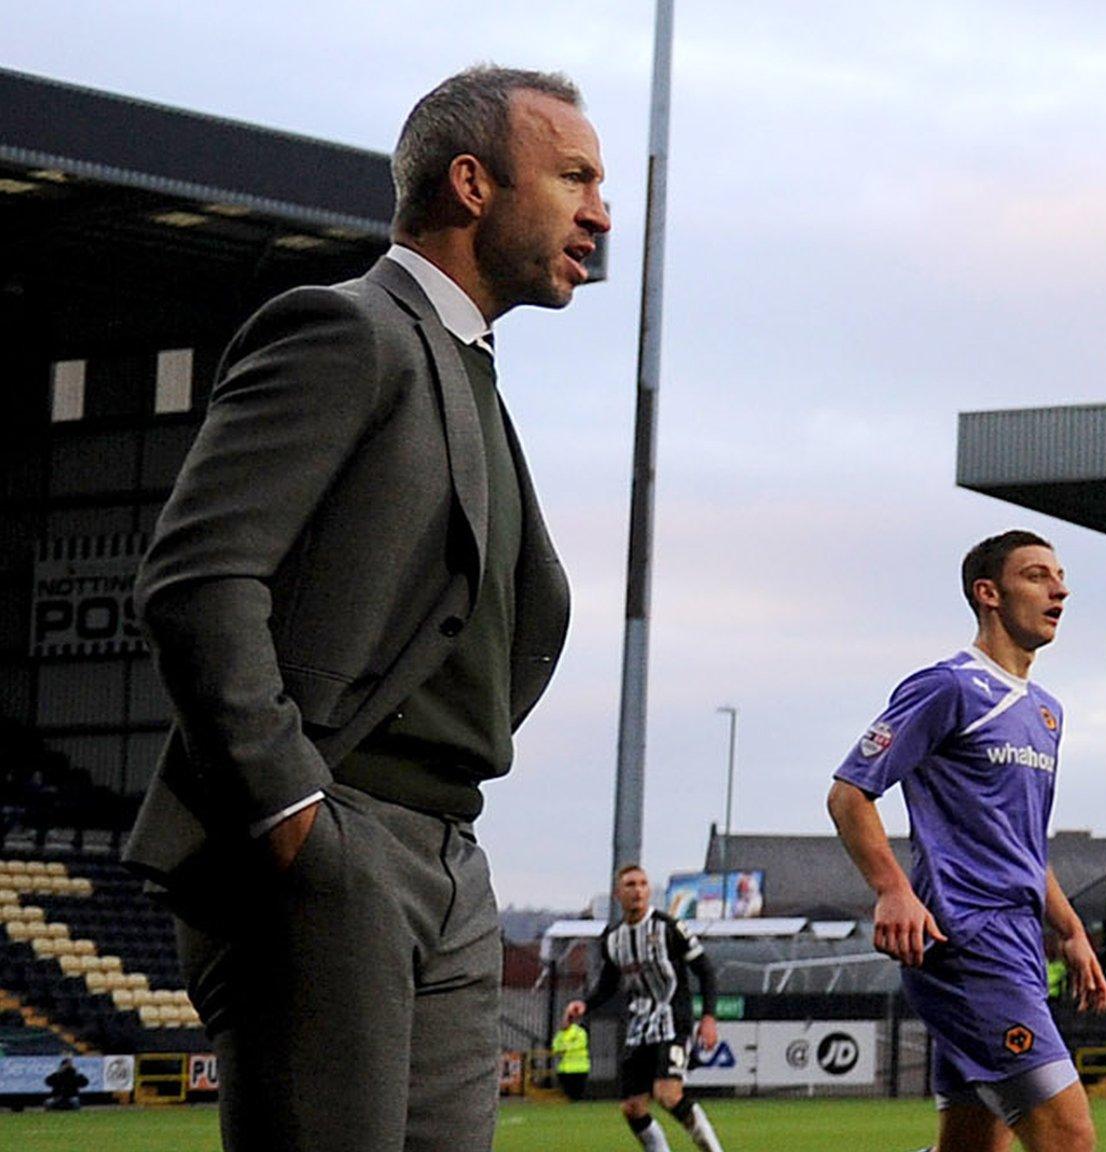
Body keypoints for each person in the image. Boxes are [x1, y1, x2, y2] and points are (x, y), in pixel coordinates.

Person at [121, 65, 606, 1152]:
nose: (600, 211)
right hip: (336, 847)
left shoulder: (471, 366)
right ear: (472, 184)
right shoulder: (345, 331)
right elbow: (198, 580)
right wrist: (294, 812)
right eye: (573, 175)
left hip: (451, 860)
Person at [827, 530, 1106, 1152]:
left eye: (1060, 577)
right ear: (989, 594)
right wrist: (892, 889)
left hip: (1019, 945)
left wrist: (1070, 930)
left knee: (973, 1147)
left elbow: (1024, 849)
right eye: (1037, 575)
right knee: (1069, 1138)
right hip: (967, 941)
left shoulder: (1047, 713)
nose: (1059, 589)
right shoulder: (948, 686)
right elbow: (850, 793)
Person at [568, 865, 724, 1152]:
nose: (637, 890)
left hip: (672, 1020)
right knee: (632, 1107)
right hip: (639, 1026)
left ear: (649, 891)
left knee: (667, 1094)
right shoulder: (612, 938)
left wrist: (709, 1017)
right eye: (629, 885)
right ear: (617, 894)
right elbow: (608, 983)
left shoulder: (669, 927)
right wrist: (585, 1004)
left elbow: (705, 970)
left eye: (642, 884)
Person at [552, 1004, 592, 1102]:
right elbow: (555, 1046)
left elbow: (580, 1044)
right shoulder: (560, 1034)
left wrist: (565, 1048)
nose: (563, 1023)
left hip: (579, 1068)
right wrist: (562, 1048)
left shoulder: (579, 1032)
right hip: (565, 1069)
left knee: (577, 1094)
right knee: (569, 1094)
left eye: (565, 1020)